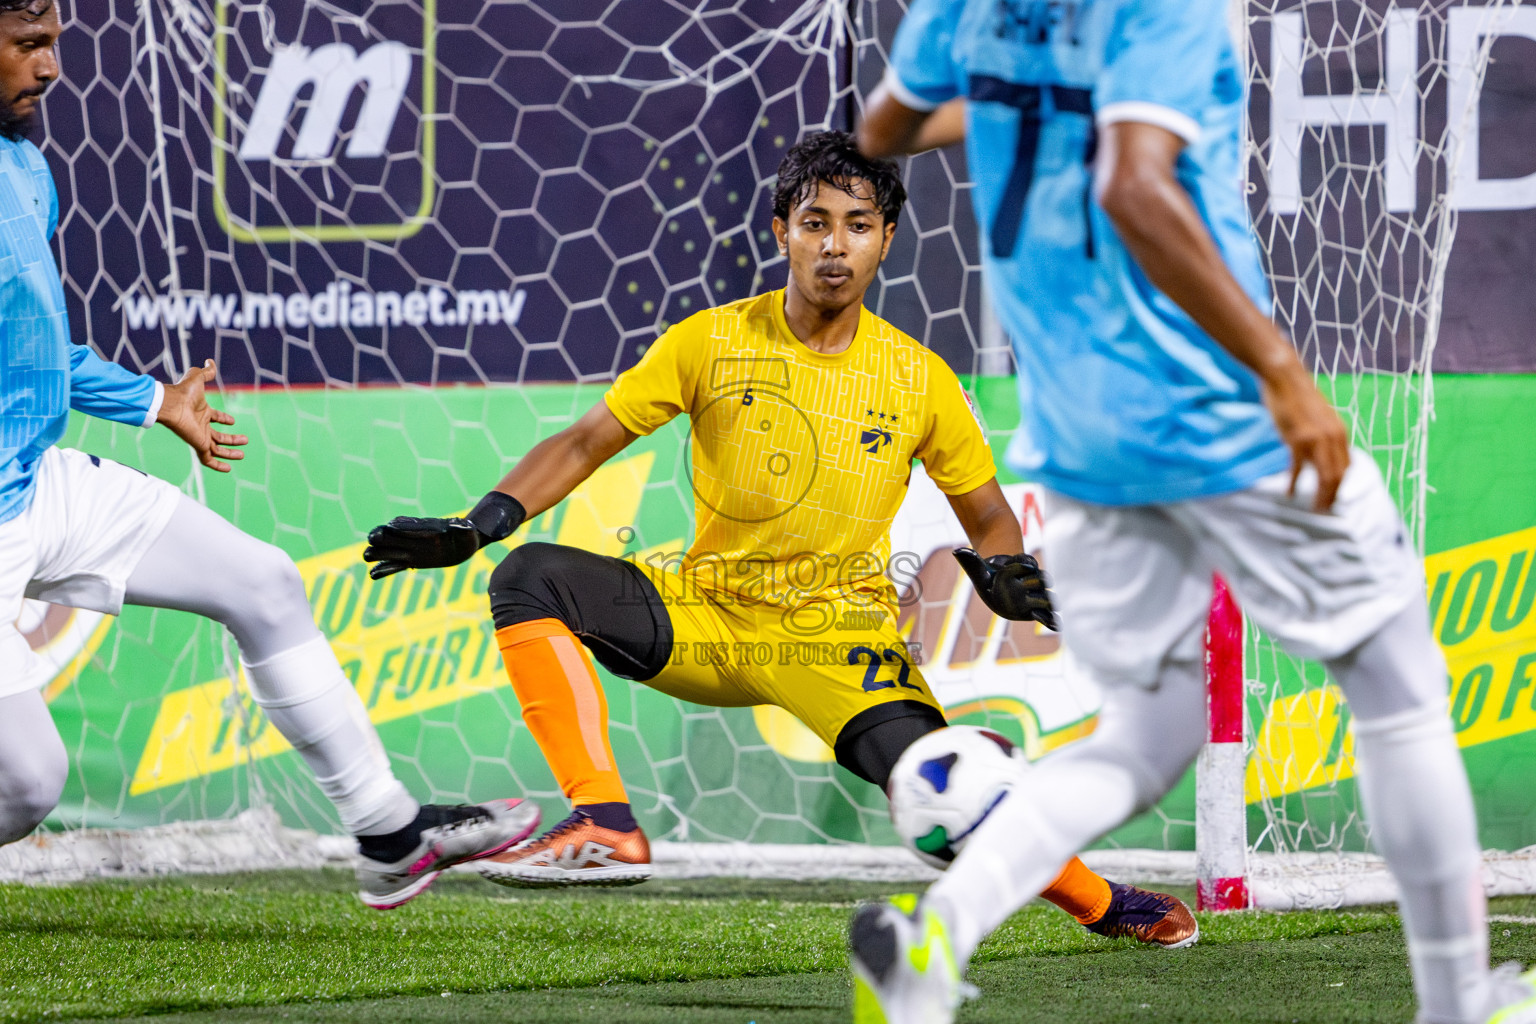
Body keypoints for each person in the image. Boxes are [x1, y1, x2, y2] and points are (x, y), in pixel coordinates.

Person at [853, 1, 1536, 1022]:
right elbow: (1134, 185)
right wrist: (1281, 371)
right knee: (1398, 688)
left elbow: (883, 132)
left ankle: (936, 935)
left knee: (1145, 734)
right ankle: (1459, 1003)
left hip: (1083, 442)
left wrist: (1021, 106)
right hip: (1219, 414)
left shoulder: (968, 8)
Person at [364, 130, 1195, 946]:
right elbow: (586, 441)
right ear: (781, 232)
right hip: (707, 613)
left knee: (949, 788)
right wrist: (482, 523)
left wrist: (1006, 566)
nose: (835, 246)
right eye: (815, 223)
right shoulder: (710, 341)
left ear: (887, 239)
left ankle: (1100, 903)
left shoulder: (920, 379)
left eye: (857, 225)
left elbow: (983, 512)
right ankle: (604, 822)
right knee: (531, 576)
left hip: (833, 638)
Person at [0, 0, 537, 909]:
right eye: (29, 46)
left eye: (55, 42)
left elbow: (37, 353)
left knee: (264, 582)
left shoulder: (27, 165)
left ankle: (387, 833)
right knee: (26, 782)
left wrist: (156, 401)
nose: (52, 68)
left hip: (35, 485)